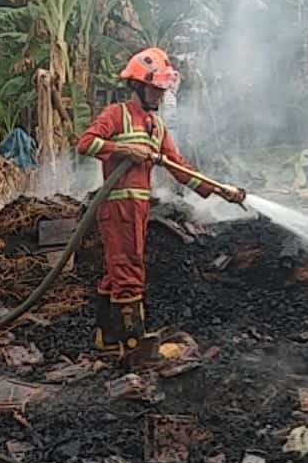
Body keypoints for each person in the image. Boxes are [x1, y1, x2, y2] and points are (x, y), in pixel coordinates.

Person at [76, 48, 245, 365]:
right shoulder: (117, 114)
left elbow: (179, 167)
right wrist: (124, 149)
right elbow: (85, 143)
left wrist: (221, 191)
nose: (159, 95)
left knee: (119, 271)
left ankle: (108, 338)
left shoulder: (156, 127)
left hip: (138, 208)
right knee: (128, 271)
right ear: (138, 87)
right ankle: (135, 347)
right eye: (155, 88)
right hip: (118, 206)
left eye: (163, 89)